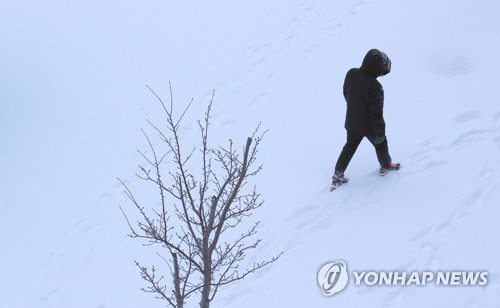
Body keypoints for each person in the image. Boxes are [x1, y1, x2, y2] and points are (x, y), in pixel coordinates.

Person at [332, 49, 400, 189]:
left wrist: (354, 107)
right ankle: (385, 166)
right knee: (381, 144)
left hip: (352, 120)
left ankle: (338, 174)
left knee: (349, 146)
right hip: (369, 126)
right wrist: (380, 132)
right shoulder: (376, 87)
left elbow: (346, 93)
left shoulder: (351, 73)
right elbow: (376, 114)